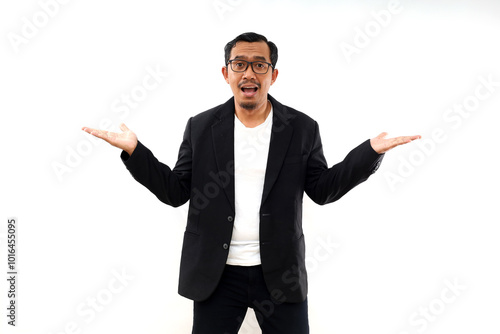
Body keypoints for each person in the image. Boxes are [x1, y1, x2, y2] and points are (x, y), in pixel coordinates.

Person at [82, 32, 420, 334]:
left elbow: (322, 189)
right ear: (225, 73)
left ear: (273, 75)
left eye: (259, 65)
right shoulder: (201, 127)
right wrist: (134, 151)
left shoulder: (301, 127)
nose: (248, 73)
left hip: (280, 273)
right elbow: (175, 192)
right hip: (217, 275)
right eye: (239, 64)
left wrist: (370, 153)